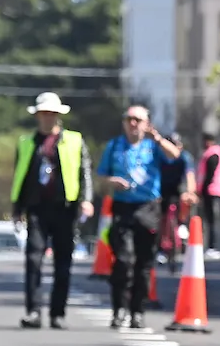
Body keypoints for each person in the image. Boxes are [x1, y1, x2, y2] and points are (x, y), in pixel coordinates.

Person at [11, 92, 94, 329]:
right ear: (37, 116)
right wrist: (17, 208)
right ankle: (34, 311)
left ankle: (58, 313)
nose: (47, 118)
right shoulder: (27, 143)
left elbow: (84, 172)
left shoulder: (74, 141)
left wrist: (86, 199)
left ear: (58, 116)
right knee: (33, 260)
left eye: (51, 114)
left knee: (63, 263)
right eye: (43, 114)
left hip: (65, 208)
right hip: (37, 208)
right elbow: (20, 177)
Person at [97, 105, 182, 329]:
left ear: (146, 123)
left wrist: (159, 139)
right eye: (129, 119)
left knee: (144, 264)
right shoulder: (115, 146)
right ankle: (119, 310)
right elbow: (102, 175)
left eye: (138, 120)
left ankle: (137, 311)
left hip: (148, 208)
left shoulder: (153, 147)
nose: (133, 124)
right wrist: (112, 182)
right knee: (124, 261)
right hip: (123, 206)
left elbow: (175, 156)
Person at [158, 132, 198, 271]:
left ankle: (183, 227)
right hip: (162, 191)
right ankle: (160, 246)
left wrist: (190, 192)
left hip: (179, 191)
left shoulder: (185, 157)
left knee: (186, 207)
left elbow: (190, 175)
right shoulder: (161, 157)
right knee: (159, 217)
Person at [197, 133, 220, 256]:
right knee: (211, 220)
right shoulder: (217, 153)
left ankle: (212, 246)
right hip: (215, 190)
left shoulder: (212, 154)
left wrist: (202, 190)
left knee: (212, 220)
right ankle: (210, 245)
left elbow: (209, 174)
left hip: (211, 190)